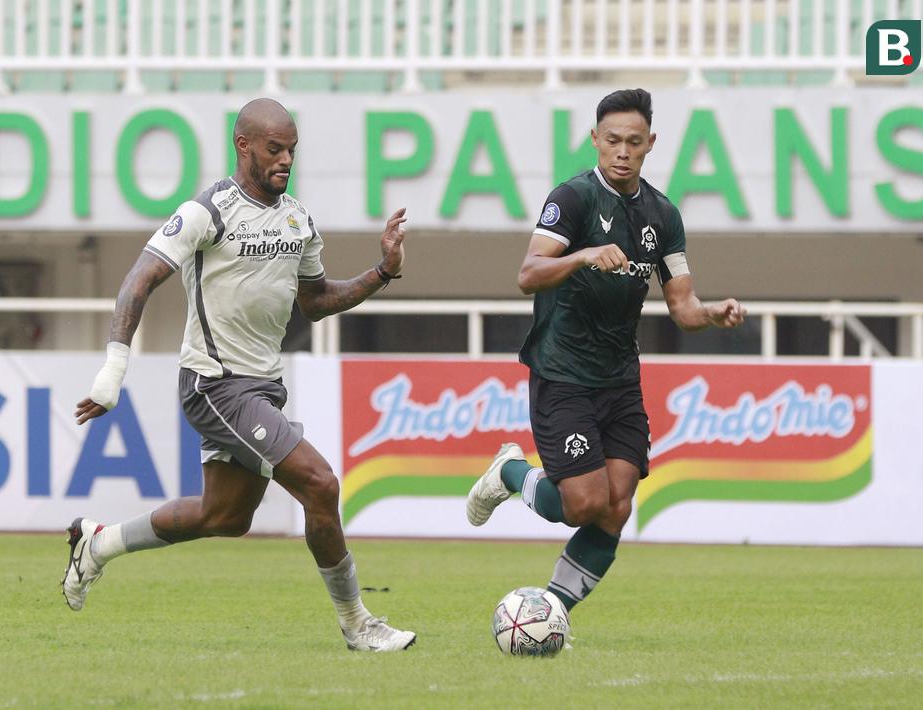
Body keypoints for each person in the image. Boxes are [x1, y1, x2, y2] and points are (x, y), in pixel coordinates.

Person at [62, 98, 416, 652]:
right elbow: (139, 278)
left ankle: (99, 544)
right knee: (320, 485)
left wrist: (382, 272)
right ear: (243, 144)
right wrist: (114, 365)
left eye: (292, 150)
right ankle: (358, 624)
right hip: (215, 384)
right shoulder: (208, 211)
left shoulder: (297, 219)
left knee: (224, 515)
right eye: (275, 148)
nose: (286, 159)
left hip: (261, 387)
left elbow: (317, 301)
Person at [466, 89, 746, 616]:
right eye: (612, 140)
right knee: (582, 504)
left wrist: (714, 314)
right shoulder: (571, 200)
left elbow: (683, 306)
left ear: (650, 145)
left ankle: (549, 614)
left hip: (619, 381)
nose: (622, 151)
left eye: (633, 142)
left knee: (616, 506)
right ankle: (509, 472)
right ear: (595, 140)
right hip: (564, 373)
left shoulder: (662, 215)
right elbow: (528, 274)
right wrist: (583, 255)